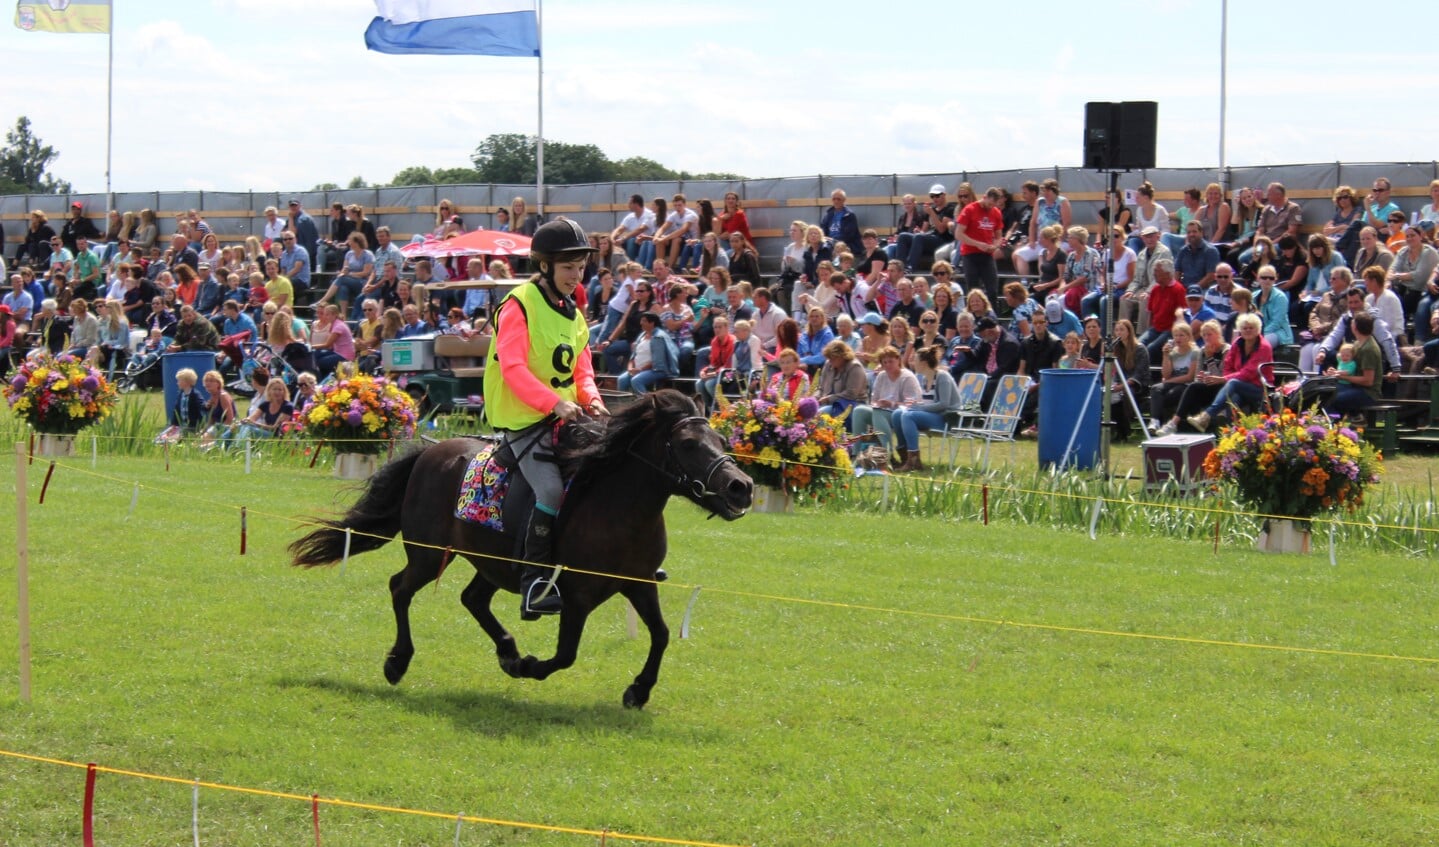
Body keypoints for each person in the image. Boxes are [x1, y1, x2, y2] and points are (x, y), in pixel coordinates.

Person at [482, 219, 606, 619]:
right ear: (546, 265)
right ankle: (534, 583)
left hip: (564, 415)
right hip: (524, 419)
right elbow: (514, 368)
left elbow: (582, 371)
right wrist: (554, 403)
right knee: (551, 492)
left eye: (581, 267)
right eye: (569, 267)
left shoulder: (574, 314)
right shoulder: (519, 304)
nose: (576, 275)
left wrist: (593, 399)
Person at [1186, 313, 1273, 432]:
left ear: (1258, 329)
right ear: (1240, 330)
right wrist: (1228, 377)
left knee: (1233, 383)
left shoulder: (1264, 347)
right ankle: (1231, 433)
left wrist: (1224, 379)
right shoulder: (1238, 343)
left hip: (1259, 388)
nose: (1247, 330)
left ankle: (1206, 416)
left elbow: (1248, 373)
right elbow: (1228, 365)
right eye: (1244, 328)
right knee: (1233, 398)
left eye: (1251, 328)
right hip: (1239, 386)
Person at [889, 344, 963, 472]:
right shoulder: (924, 379)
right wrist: (915, 405)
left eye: (915, 360)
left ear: (923, 363)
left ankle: (914, 461)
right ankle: (905, 456)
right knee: (897, 414)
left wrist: (919, 408)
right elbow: (927, 403)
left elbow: (944, 404)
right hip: (935, 415)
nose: (912, 363)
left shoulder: (942, 377)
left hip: (947, 418)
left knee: (908, 415)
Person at [849, 345, 921, 459]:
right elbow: (874, 399)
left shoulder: (907, 377)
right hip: (881, 412)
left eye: (890, 361)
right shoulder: (881, 376)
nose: (887, 365)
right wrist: (876, 404)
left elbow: (912, 404)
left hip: (900, 415)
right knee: (859, 410)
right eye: (884, 362)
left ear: (898, 360)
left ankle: (888, 454)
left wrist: (891, 403)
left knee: (878, 412)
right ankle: (856, 453)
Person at [1323, 312, 1383, 420]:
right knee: (1324, 392)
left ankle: (1334, 430)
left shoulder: (1369, 349)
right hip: (1354, 387)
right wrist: (1336, 372)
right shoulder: (1358, 344)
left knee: (1333, 400)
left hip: (1368, 393)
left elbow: (1368, 381)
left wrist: (1342, 377)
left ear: (1355, 327)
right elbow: (1349, 366)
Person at [954, 187, 1006, 303]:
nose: (990, 207)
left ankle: (993, 316)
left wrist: (995, 246)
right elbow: (958, 234)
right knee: (974, 289)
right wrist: (977, 244)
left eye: (993, 205)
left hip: (987, 254)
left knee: (992, 290)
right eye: (989, 204)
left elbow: (999, 236)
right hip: (970, 254)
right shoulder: (970, 209)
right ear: (984, 197)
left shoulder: (996, 212)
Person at [1150, 323, 1199, 430]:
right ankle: (1155, 421)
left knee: (1169, 395)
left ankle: (1168, 424)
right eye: (1175, 335)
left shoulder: (1195, 352)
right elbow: (1166, 374)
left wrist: (1169, 381)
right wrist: (1165, 355)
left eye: (1181, 335)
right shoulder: (1173, 353)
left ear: (1188, 336)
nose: (1178, 338)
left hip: (1186, 385)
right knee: (1155, 389)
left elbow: (1189, 377)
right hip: (1172, 382)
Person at [816, 338, 868, 422]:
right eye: (829, 358)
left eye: (833, 358)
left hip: (851, 404)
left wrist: (830, 398)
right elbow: (821, 387)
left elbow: (851, 393)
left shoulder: (855, 367)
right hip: (828, 403)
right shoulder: (828, 364)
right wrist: (815, 397)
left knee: (823, 413)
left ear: (843, 356)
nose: (830, 361)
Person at [820, 189, 863, 257]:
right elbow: (822, 230)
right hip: (829, 244)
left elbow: (849, 236)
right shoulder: (828, 215)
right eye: (834, 199)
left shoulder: (849, 215)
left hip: (845, 245)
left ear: (844, 200)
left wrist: (833, 241)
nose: (836, 201)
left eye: (838, 199)